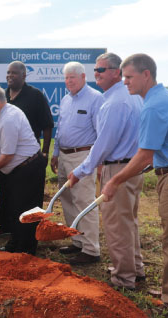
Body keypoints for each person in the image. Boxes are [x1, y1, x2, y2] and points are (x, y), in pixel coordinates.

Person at [103, 53, 168, 316]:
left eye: (128, 77)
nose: (124, 81)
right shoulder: (159, 99)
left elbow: (144, 154)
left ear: (146, 75)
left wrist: (115, 180)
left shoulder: (154, 105)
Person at [67, 52, 144, 286]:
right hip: (132, 168)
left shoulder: (114, 103)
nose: (96, 74)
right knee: (128, 221)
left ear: (116, 72)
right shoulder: (131, 96)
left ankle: (123, 278)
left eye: (101, 70)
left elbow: (103, 144)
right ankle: (135, 268)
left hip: (118, 169)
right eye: (95, 70)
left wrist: (81, 170)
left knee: (117, 226)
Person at [0, 84, 46, 255]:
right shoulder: (3, 114)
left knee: (26, 211)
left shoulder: (9, 119)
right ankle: (15, 245)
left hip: (27, 168)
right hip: (16, 169)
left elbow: (8, 155)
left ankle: (25, 251)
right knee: (15, 209)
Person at [0, 61, 54, 236]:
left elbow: (47, 125)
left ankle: (28, 233)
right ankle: (6, 227)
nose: (10, 76)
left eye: (15, 73)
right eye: (8, 72)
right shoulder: (3, 96)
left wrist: (45, 151)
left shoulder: (35, 96)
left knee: (25, 198)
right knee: (7, 194)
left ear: (24, 76)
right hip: (5, 156)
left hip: (26, 157)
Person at [50, 62, 103, 264]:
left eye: (73, 77)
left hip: (83, 156)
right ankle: (77, 241)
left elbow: (101, 134)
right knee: (68, 200)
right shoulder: (65, 100)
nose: (69, 81)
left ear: (83, 77)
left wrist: (97, 162)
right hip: (64, 156)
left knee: (84, 201)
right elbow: (60, 129)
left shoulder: (95, 99)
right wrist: (55, 153)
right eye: (66, 77)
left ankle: (91, 250)